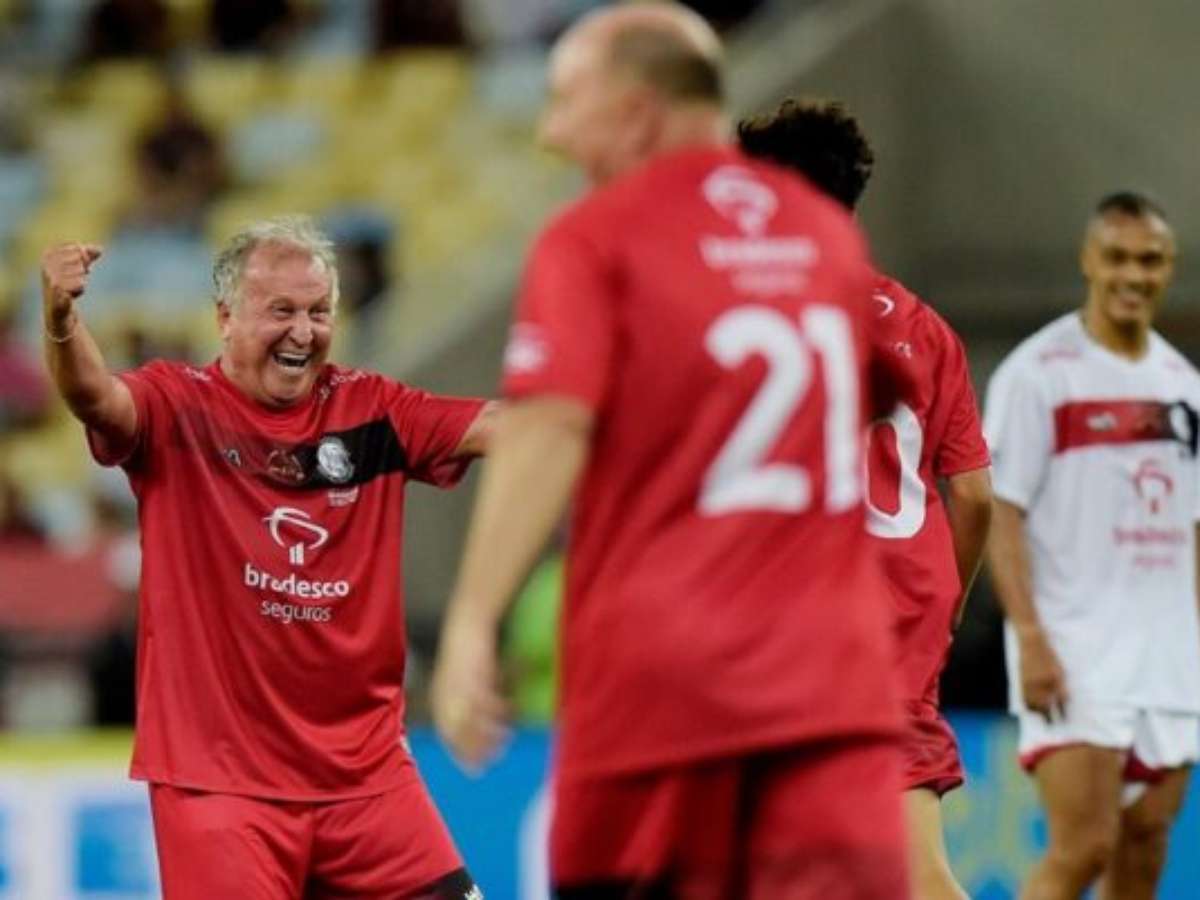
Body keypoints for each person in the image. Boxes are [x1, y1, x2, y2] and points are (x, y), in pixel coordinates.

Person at [431, 5, 909, 898]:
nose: (550, 134)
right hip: (834, 692)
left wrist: (470, 620)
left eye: (565, 102)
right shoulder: (828, 238)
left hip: (663, 697)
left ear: (637, 111)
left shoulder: (595, 237)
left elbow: (547, 426)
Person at [41, 216, 489, 899]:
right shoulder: (176, 405)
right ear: (226, 317)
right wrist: (61, 322)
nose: (303, 332)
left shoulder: (375, 410)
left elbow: (511, 428)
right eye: (282, 311)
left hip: (366, 780)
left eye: (318, 312)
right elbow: (95, 397)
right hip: (221, 786)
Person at [737, 98, 993, 900]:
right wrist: (945, 603)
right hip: (901, 618)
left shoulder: (756, 321)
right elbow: (974, 496)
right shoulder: (926, 328)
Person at [984, 192, 1200, 900]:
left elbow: (1193, 528)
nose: (1134, 275)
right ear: (1088, 260)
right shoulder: (1038, 373)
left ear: (1170, 266)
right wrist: (1030, 637)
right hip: (1074, 649)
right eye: (1117, 258)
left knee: (1147, 844)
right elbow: (1001, 510)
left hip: (1167, 661)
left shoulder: (1184, 386)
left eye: (1150, 260)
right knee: (1083, 848)